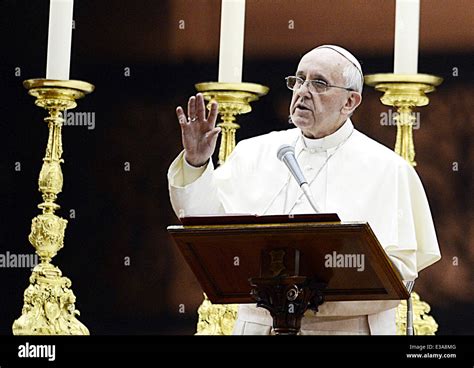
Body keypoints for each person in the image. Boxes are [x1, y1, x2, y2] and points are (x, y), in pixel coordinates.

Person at [167, 45, 441, 335]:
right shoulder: (253, 153)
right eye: (298, 80)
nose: (303, 91)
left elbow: (397, 272)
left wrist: (309, 294)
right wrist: (196, 163)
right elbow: (206, 227)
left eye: (319, 83)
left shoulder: (388, 168)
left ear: (350, 101)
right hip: (260, 327)